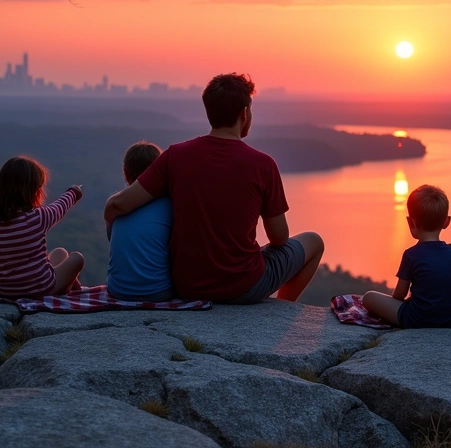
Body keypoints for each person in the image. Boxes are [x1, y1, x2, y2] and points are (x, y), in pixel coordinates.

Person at [102, 73, 324, 303]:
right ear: (244, 114)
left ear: (210, 113)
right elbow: (279, 238)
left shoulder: (175, 157)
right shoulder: (263, 165)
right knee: (314, 241)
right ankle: (282, 310)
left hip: (186, 286)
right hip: (244, 288)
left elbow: (117, 205)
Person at [362, 185, 451, 328]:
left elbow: (399, 295)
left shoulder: (411, 255)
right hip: (450, 319)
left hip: (417, 319)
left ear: (410, 222)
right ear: (446, 222)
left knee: (369, 297)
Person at [0, 156, 85, 298]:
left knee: (60, 253)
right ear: (32, 191)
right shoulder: (36, 218)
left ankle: (69, 285)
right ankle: (67, 291)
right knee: (77, 258)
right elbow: (59, 207)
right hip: (39, 289)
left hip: (4, 291)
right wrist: (74, 192)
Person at [106, 141, 174, 302]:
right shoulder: (170, 205)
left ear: (125, 172)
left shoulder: (118, 204)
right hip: (158, 293)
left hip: (117, 290)